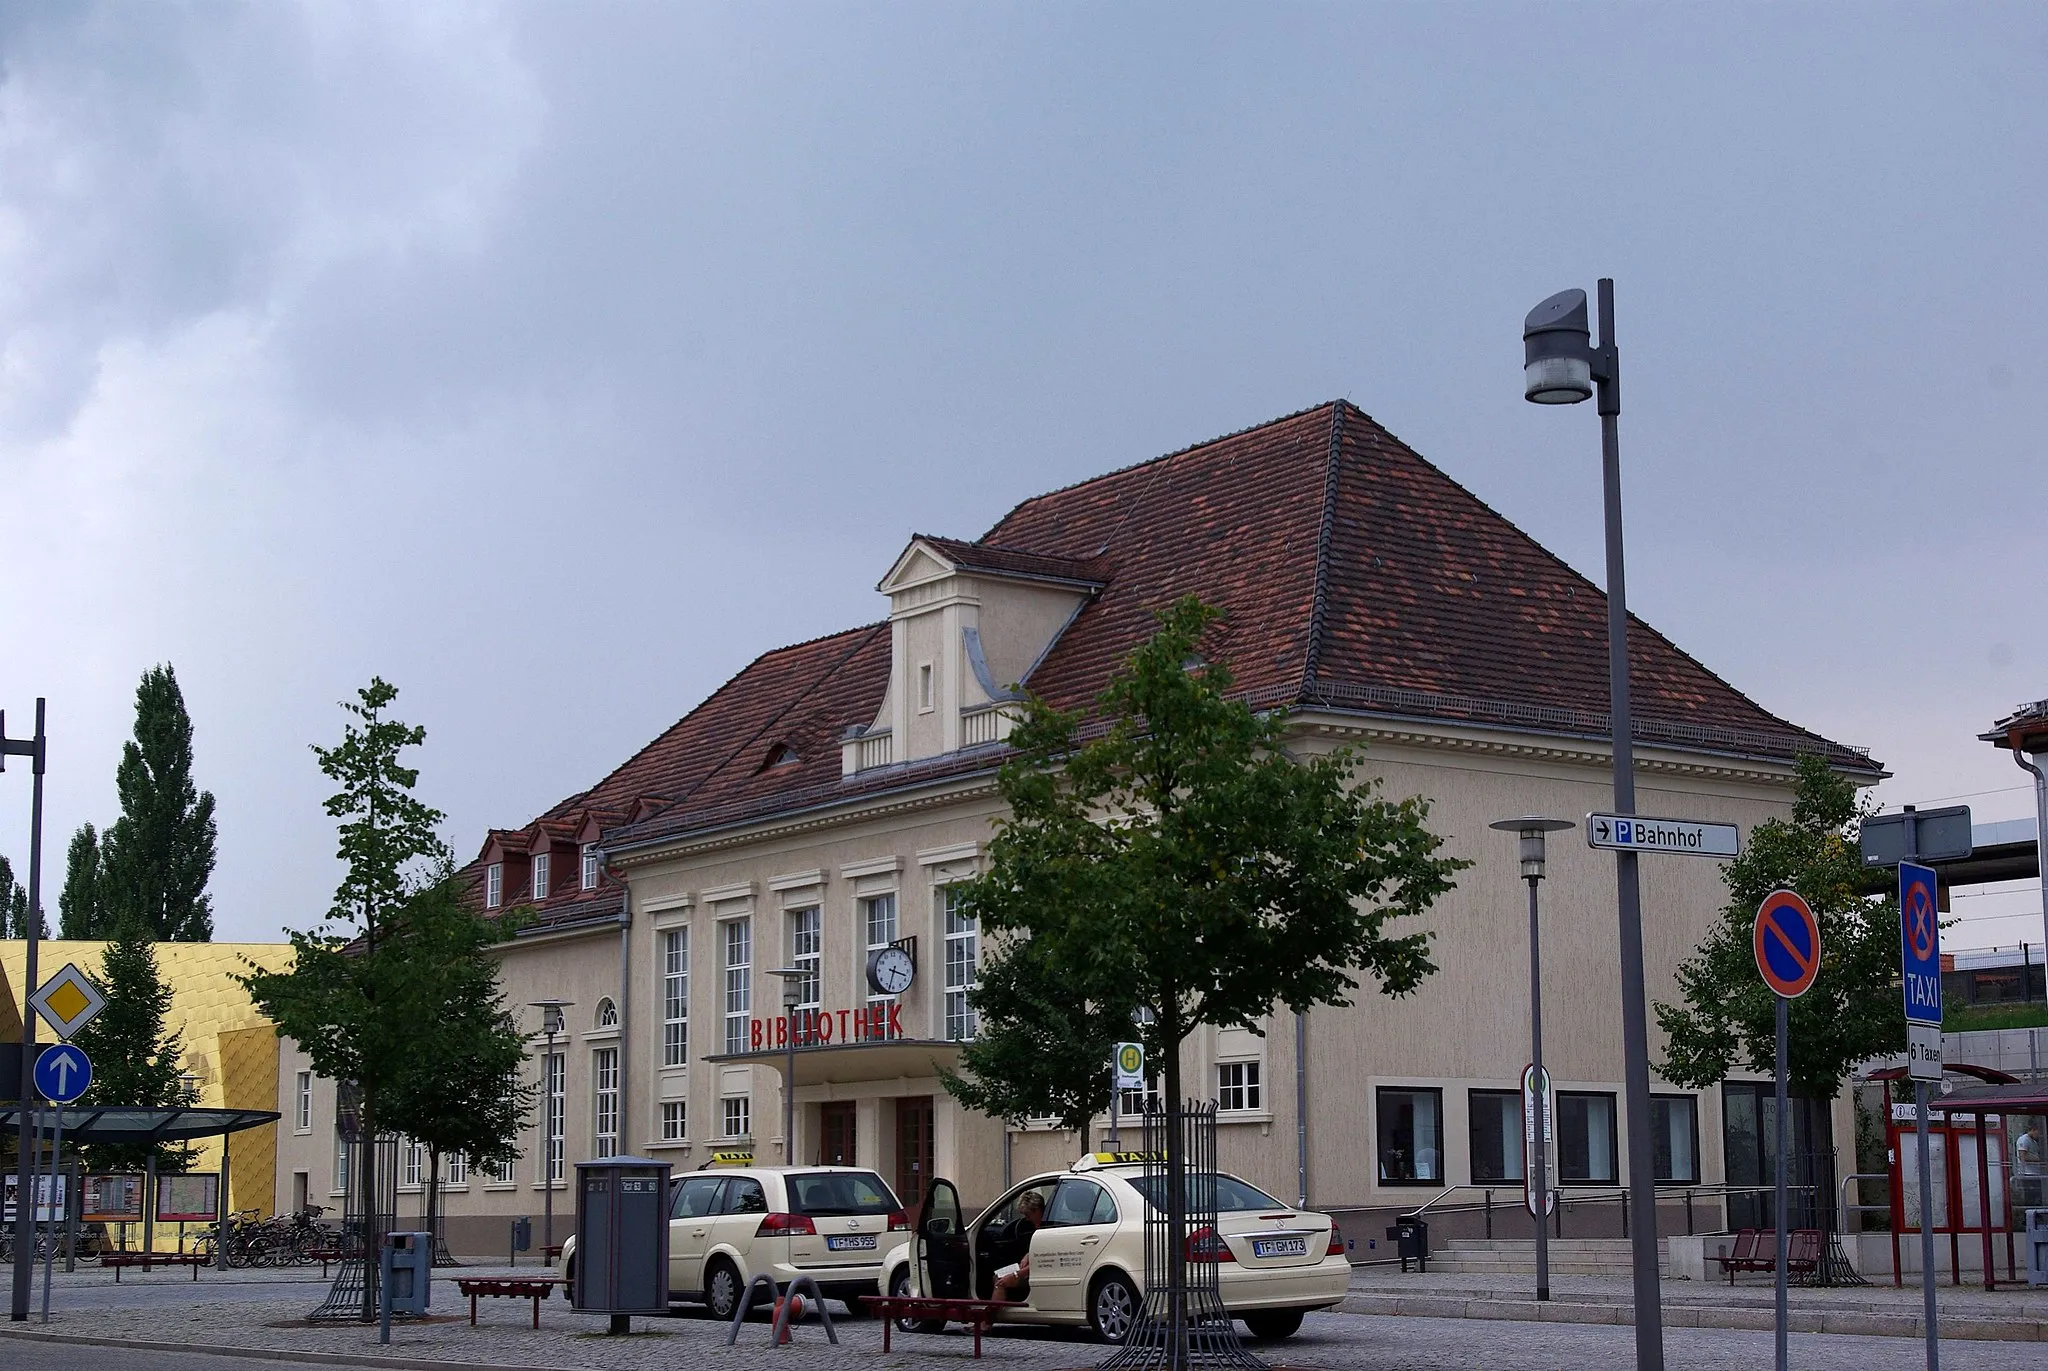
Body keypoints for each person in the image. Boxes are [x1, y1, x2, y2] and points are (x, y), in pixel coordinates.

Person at [992, 1191, 1046, 1302]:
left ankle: (991, 1315)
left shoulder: (1046, 1230)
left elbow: (1039, 1264)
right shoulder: (1041, 1226)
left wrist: (1015, 1275)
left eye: (1027, 1214)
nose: (1026, 1219)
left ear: (1036, 1211)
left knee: (1000, 1282)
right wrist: (1028, 1255)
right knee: (997, 1277)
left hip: (1036, 1273)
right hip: (1031, 1269)